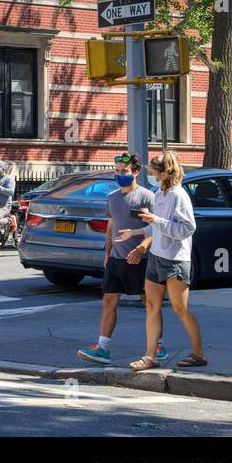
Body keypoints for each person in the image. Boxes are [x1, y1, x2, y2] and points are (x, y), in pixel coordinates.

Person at [118, 151, 206, 371]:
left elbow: (187, 228)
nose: (151, 172)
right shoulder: (159, 194)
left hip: (175, 259)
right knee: (150, 305)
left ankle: (198, 353)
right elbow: (156, 226)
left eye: (155, 169)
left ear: (166, 172)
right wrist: (136, 231)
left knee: (179, 308)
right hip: (157, 257)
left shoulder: (179, 195)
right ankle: (150, 356)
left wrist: (155, 219)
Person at [77, 153, 165, 364]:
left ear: (135, 172)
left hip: (142, 260)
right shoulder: (113, 197)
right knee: (109, 301)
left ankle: (158, 346)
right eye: (117, 171)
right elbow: (111, 226)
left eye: (124, 172)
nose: (119, 175)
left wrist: (142, 249)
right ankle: (103, 348)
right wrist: (107, 253)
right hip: (117, 259)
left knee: (149, 303)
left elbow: (157, 229)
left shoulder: (147, 197)